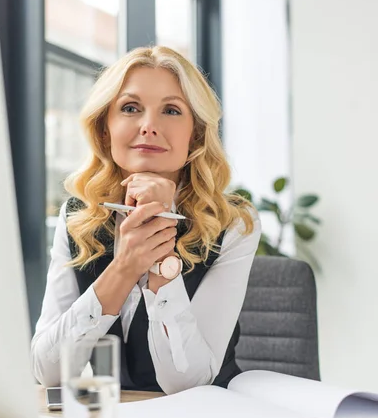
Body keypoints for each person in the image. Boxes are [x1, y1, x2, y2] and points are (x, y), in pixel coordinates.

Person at [31, 45, 261, 394]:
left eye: (171, 110)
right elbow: (48, 372)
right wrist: (124, 268)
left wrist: (160, 263)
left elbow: (188, 383)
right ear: (105, 129)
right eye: (130, 108)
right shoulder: (80, 215)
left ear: (195, 133)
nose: (149, 126)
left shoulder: (232, 223)